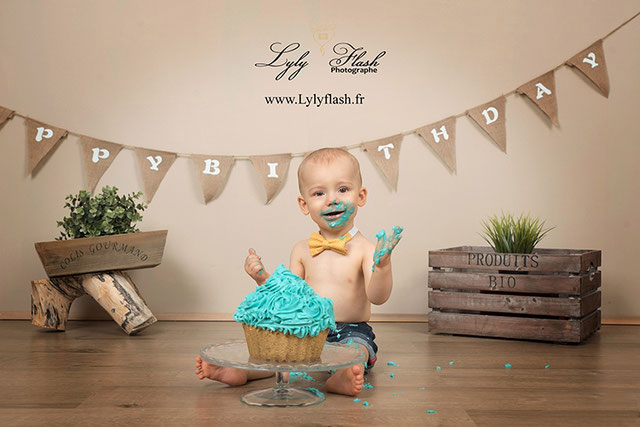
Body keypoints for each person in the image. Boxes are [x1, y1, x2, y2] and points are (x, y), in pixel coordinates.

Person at [196, 147, 402, 396]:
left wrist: (382, 266)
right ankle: (243, 372)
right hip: (308, 328)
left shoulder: (366, 249)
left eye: (343, 189)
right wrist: (262, 277)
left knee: (357, 351)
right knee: (281, 357)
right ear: (304, 204)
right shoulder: (302, 250)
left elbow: (378, 297)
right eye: (319, 193)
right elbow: (288, 298)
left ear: (361, 196)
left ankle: (343, 375)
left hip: (351, 330)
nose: (332, 199)